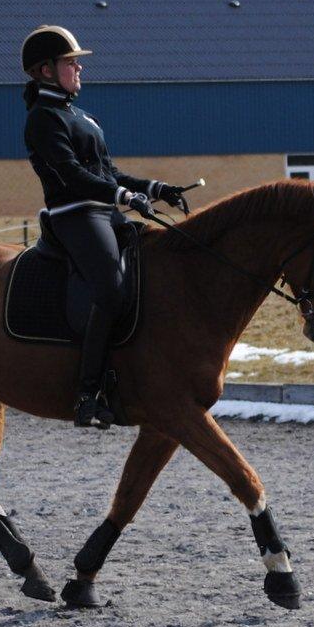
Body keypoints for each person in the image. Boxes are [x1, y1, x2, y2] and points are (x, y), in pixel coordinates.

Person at [21, 25, 186, 429]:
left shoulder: (82, 117)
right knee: (111, 290)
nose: (79, 68)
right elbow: (73, 175)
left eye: (77, 62)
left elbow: (108, 171)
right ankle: (87, 394)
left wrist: (153, 187)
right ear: (46, 70)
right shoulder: (42, 119)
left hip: (105, 211)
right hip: (75, 215)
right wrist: (123, 198)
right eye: (70, 62)